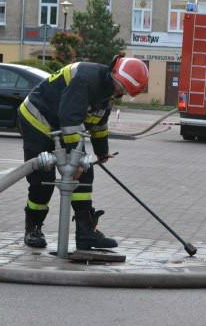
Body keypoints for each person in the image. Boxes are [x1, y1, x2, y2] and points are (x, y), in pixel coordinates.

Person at [19, 55, 149, 250]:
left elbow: (99, 124)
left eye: (123, 91)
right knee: (42, 178)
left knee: (85, 171)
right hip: (37, 120)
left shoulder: (107, 91)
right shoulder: (86, 79)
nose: (119, 92)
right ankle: (33, 228)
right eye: (119, 86)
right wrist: (77, 160)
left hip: (60, 125)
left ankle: (85, 232)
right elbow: (70, 120)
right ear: (113, 73)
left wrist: (101, 152)